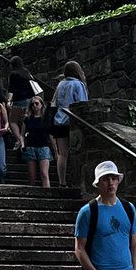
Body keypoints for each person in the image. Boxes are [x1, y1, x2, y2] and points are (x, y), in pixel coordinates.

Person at [49, 59, 88, 187]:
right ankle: (78, 182)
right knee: (77, 151)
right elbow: (82, 103)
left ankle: (62, 182)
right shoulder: (78, 84)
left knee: (62, 153)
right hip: (73, 122)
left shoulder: (60, 85)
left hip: (59, 121)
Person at [23, 95, 52, 188]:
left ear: (41, 105)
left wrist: (55, 149)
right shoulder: (27, 119)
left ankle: (48, 193)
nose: (34, 106)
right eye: (32, 104)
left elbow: (50, 134)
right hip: (31, 146)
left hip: (43, 146)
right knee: (31, 176)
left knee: (44, 173)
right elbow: (22, 133)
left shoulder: (45, 118)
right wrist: (22, 144)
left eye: (36, 103)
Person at [8, 55, 35, 148]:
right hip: (30, 100)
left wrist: (9, 100)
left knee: (12, 121)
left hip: (19, 100)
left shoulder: (13, 74)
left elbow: (11, 89)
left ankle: (20, 140)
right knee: (24, 121)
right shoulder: (27, 73)